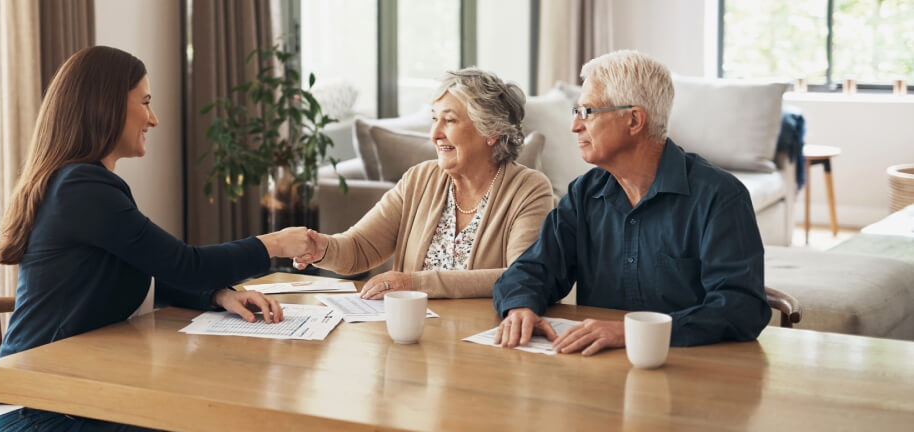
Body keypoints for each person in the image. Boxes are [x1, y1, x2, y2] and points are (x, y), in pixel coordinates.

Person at [0, 46, 314, 432]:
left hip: (79, 400)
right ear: (105, 106)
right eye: (145, 103)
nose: (153, 119)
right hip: (38, 412)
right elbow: (184, 264)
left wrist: (218, 294)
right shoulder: (81, 188)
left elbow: (145, 269)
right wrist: (275, 242)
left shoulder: (81, 184)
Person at [493, 50, 771, 355]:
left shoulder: (719, 197)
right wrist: (520, 306)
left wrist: (631, 332)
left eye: (587, 111)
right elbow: (533, 269)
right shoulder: (584, 193)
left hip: (692, 372)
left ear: (635, 120)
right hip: (598, 371)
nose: (575, 126)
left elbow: (741, 308)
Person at [292, 68, 554, 300]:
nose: (434, 134)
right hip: (413, 333)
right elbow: (360, 248)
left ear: (491, 132)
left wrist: (414, 283)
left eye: (449, 120)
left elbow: (521, 275)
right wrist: (321, 248)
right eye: (434, 119)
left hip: (483, 337)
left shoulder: (529, 189)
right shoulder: (419, 179)